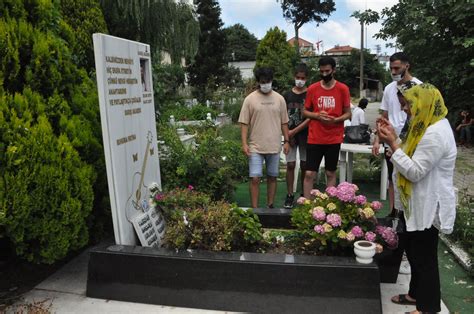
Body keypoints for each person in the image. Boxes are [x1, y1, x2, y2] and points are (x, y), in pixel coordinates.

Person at [377, 83, 456, 314]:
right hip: (417, 202)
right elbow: (409, 153)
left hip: (428, 205)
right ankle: (415, 295)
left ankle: (428, 308)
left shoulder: (436, 133)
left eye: (408, 104)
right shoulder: (424, 125)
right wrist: (393, 136)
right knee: (413, 251)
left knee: (424, 259)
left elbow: (415, 170)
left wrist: (392, 143)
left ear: (423, 103)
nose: (405, 109)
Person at [372, 52, 422, 218]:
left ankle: (408, 213)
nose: (393, 72)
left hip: (412, 141)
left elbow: (421, 117)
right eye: (391, 68)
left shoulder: (419, 87)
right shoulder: (388, 88)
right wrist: (377, 140)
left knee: (408, 176)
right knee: (393, 177)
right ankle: (394, 211)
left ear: (407, 66)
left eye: (397, 68)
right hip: (389, 140)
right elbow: (383, 116)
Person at [238, 67, 290, 208]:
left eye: (268, 81)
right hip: (255, 146)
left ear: (272, 81)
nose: (265, 84)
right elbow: (244, 123)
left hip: (274, 146)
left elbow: (284, 122)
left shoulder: (280, 99)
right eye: (262, 81)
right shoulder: (250, 99)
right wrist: (244, 143)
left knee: (272, 177)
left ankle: (270, 205)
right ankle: (255, 209)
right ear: (258, 82)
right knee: (255, 178)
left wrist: (286, 141)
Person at [302, 56, 351, 197]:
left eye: (327, 71)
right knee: (309, 173)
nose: (324, 74)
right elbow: (305, 112)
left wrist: (335, 120)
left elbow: (348, 113)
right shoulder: (312, 88)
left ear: (333, 70)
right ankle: (307, 205)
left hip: (333, 138)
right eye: (321, 71)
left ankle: (330, 205)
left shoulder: (342, 89)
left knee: (330, 172)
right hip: (315, 137)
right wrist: (317, 116)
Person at [283, 64, 310, 208]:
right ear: (294, 77)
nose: (300, 80)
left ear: (307, 78)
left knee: (305, 165)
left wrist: (295, 131)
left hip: (306, 134)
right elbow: (282, 116)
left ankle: (304, 194)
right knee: (290, 164)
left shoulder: (310, 93)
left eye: (303, 78)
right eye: (298, 77)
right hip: (290, 135)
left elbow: (310, 118)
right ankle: (289, 194)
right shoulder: (287, 95)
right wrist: (287, 135)